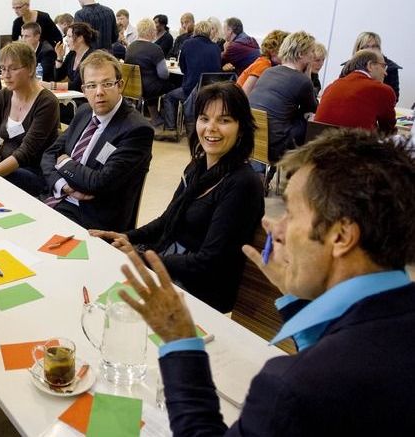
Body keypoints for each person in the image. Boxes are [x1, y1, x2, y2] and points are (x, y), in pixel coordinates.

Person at [118, 128, 415, 435]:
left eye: (291, 213)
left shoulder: (292, 389)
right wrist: (298, 296)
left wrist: (180, 343)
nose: (274, 226)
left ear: (341, 236)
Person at [92, 82, 264, 312]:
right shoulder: (198, 167)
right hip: (171, 268)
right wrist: (125, 237)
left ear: (241, 128)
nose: (211, 128)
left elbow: (209, 262)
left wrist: (143, 257)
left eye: (224, 120)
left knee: (110, 307)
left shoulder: (243, 184)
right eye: (204, 119)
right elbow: (166, 220)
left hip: (199, 293)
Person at [41, 51, 153, 232]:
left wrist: (65, 162)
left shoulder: (137, 130)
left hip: (93, 218)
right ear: (84, 90)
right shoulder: (84, 112)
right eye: (92, 85)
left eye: (107, 84)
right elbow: (49, 154)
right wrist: (63, 186)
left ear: (120, 85)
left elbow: (100, 183)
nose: (99, 92)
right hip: (59, 196)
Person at [0, 42, 59, 196]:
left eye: (13, 68)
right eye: (3, 68)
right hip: (6, 168)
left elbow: (26, 153)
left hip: (35, 173)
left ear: (31, 69)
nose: (6, 75)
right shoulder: (3, 96)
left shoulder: (47, 102)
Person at [249, 31, 317, 163]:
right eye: (311, 51)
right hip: (277, 147)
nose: (313, 56)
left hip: (252, 140)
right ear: (301, 54)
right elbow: (313, 109)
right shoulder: (303, 81)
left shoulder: (268, 71)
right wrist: (308, 75)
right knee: (310, 122)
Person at [158, 20, 222, 139]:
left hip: (191, 90)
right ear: (209, 32)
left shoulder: (188, 44)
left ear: (196, 30)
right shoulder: (216, 48)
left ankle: (171, 130)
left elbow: (182, 68)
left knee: (169, 97)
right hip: (211, 91)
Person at [315, 50, 396, 133]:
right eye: (383, 66)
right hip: (355, 144)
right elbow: (388, 131)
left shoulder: (331, 87)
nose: (385, 73)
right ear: (370, 65)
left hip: (319, 143)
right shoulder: (383, 90)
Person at [125, 18, 170, 126]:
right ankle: (163, 118)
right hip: (149, 88)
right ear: (151, 32)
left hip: (132, 87)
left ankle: (154, 116)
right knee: (172, 85)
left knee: (151, 84)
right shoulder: (155, 49)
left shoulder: (131, 47)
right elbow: (164, 74)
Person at [50, 22, 95, 123]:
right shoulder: (72, 54)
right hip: (75, 97)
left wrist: (50, 85)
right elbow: (58, 76)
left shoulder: (91, 57)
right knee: (50, 106)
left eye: (70, 36)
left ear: (80, 38)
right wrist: (59, 58)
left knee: (54, 109)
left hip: (86, 99)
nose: (66, 39)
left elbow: (76, 85)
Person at [237, 29, 289, 95]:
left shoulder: (266, 63)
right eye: (285, 51)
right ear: (273, 51)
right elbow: (245, 92)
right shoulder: (264, 64)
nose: (287, 55)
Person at [352, 31, 401, 101]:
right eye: (366, 46)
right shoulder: (350, 66)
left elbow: (394, 98)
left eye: (375, 46)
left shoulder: (390, 68)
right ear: (358, 49)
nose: (371, 50)